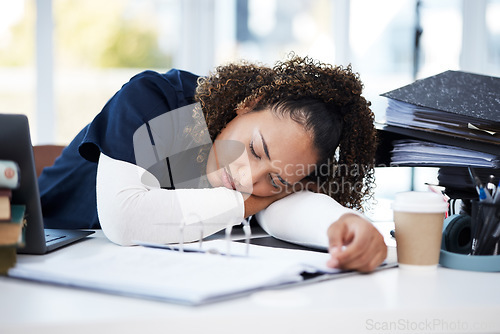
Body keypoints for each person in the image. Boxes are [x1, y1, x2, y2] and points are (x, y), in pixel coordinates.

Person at [38, 55, 387, 272]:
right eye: (255, 149)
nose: (248, 177)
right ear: (250, 103)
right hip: (39, 241)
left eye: (277, 181)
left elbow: (288, 212)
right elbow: (124, 218)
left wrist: (350, 226)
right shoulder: (158, 101)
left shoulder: (268, 181)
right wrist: (258, 199)